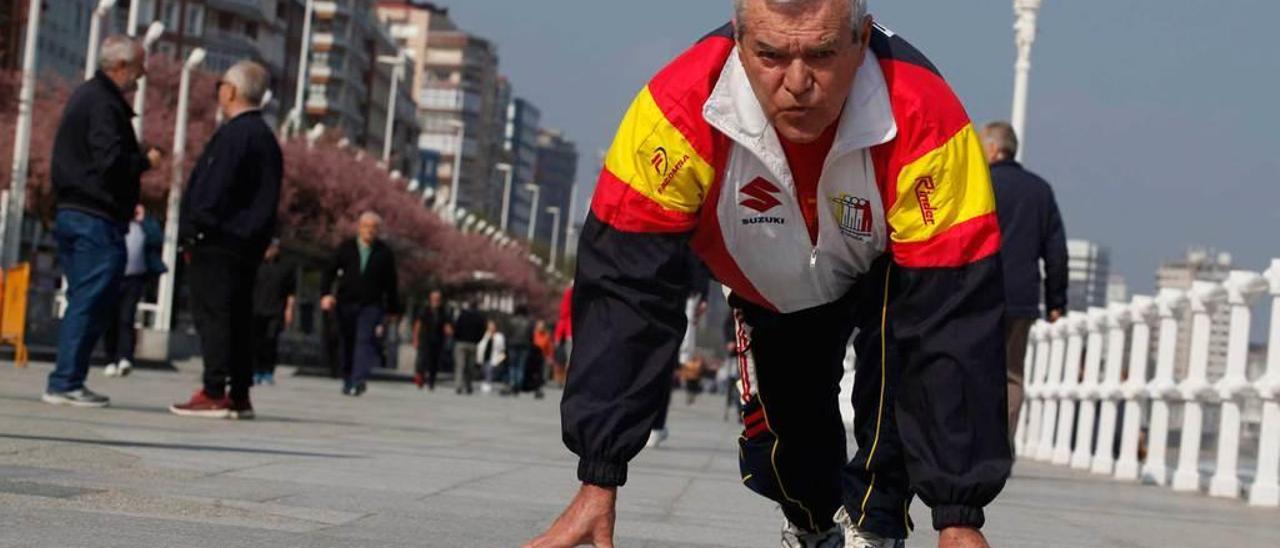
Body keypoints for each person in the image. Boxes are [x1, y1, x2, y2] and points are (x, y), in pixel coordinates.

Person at [529, 2, 1008, 547]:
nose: (797, 82)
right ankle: (812, 521)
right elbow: (625, 294)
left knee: (899, 354)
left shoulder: (928, 118)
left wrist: (959, 517)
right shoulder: (675, 112)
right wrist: (598, 479)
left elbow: (953, 321)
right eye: (771, 55)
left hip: (886, 266)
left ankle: (877, 522)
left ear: (862, 40)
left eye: (822, 55)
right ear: (739, 38)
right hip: (770, 284)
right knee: (792, 454)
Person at [43, 35, 163, 408]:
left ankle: (68, 378)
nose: (141, 77)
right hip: (93, 216)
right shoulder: (102, 103)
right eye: (139, 67)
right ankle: (65, 381)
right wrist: (144, 161)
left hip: (79, 212)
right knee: (91, 298)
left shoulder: (92, 98)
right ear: (121, 66)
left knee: (85, 296)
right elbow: (109, 161)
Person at [170, 60, 282, 420]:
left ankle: (215, 390)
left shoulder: (236, 134)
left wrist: (198, 227)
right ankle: (239, 393)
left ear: (231, 91)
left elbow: (213, 189)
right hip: (245, 244)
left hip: (219, 242)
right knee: (237, 318)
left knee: (215, 316)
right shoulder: (264, 136)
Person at [982, 121, 1068, 445]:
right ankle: (1001, 444)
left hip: (978, 292)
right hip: (1022, 297)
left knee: (973, 365)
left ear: (991, 149)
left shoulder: (979, 182)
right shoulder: (1040, 190)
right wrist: (1056, 301)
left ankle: (974, 443)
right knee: (1012, 374)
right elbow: (1056, 250)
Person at [319, 212, 402, 397]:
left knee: (364, 341)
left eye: (374, 227)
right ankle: (348, 378)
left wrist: (393, 309)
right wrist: (325, 294)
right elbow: (329, 272)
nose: (370, 230)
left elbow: (391, 283)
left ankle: (358, 379)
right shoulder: (346, 247)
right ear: (359, 227)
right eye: (366, 226)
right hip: (346, 302)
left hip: (371, 305)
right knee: (347, 341)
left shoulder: (384, 252)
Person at [103, 204, 166, 378]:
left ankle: (125, 357)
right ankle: (110, 358)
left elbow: (157, 238)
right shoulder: (115, 225)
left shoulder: (143, 227)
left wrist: (144, 219)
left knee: (126, 318)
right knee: (111, 319)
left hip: (134, 279)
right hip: (114, 277)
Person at [251, 238, 296, 386]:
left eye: (272, 248)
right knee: (256, 342)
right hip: (256, 309)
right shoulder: (256, 264)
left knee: (271, 342)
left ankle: (268, 372)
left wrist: (289, 310)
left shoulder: (285, 266)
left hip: (276, 310)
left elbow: (291, 292)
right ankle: (255, 370)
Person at [413, 289, 448, 390]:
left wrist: (448, 330)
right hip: (424, 338)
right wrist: (415, 339)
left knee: (434, 361)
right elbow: (417, 325)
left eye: (438, 298)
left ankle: (431, 381)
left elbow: (447, 324)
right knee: (422, 360)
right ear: (431, 298)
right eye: (435, 298)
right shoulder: (424, 309)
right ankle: (420, 377)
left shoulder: (443, 311)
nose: (436, 300)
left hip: (437, 339)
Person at [450, 301, 486, 395]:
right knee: (470, 366)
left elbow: (456, 327)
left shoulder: (462, 315)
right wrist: (477, 340)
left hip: (461, 342)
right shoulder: (480, 317)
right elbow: (482, 330)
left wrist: (456, 337)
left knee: (460, 365)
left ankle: (458, 386)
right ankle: (468, 385)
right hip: (473, 344)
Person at [503, 306, 534, 397]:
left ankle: (512, 383)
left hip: (512, 344)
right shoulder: (529, 322)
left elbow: (507, 334)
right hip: (525, 345)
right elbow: (531, 336)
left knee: (512, 365)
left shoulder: (511, 321)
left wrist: (507, 344)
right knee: (521, 366)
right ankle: (518, 385)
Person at [476, 319, 507, 394]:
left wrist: (500, 360)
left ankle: (487, 384)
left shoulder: (499, 336)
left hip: (494, 358)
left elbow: (502, 350)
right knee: (485, 369)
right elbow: (480, 345)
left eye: (492, 326)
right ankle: (486, 382)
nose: (491, 328)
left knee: (489, 368)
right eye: (489, 326)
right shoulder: (484, 335)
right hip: (483, 357)